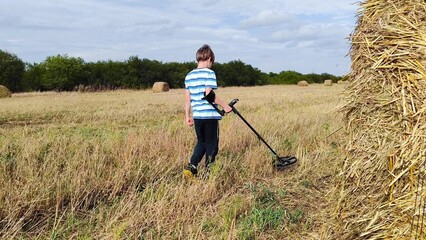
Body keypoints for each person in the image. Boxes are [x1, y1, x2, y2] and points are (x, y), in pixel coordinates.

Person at [184, 44, 232, 178]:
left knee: (201, 143)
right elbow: (209, 94)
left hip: (198, 116)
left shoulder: (189, 76)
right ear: (210, 59)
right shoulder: (209, 73)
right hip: (210, 116)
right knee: (212, 145)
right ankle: (208, 173)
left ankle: (192, 166)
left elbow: (187, 100)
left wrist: (188, 116)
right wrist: (225, 106)